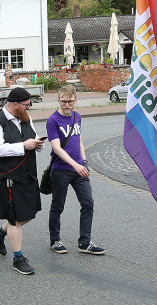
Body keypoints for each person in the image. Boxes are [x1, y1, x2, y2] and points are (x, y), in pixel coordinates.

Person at [0, 87, 45, 275]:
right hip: (8, 177)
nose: (29, 108)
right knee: (15, 219)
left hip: (28, 174)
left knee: (26, 215)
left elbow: (32, 139)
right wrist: (23, 146)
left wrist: (37, 144)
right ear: (15, 104)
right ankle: (18, 258)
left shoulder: (26, 118)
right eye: (27, 105)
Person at [46, 85, 106, 255]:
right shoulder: (53, 120)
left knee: (88, 204)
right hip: (61, 170)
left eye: (70, 101)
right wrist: (75, 165)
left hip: (80, 168)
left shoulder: (77, 116)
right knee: (58, 207)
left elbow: (78, 139)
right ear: (58, 100)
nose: (67, 105)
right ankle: (55, 240)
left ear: (75, 101)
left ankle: (85, 242)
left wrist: (84, 160)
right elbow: (57, 148)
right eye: (63, 101)